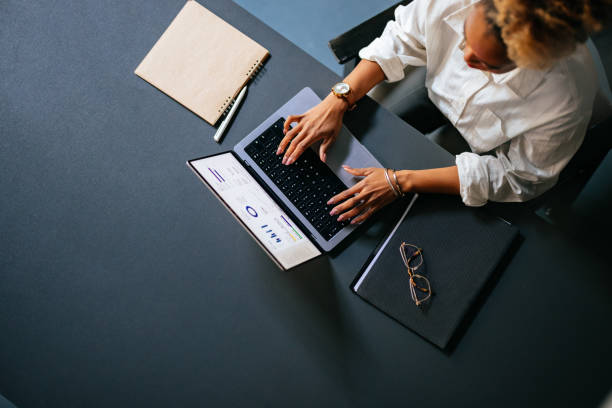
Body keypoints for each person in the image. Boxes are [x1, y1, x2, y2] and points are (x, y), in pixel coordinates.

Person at [275, 0, 611, 224]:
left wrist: (402, 181)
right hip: (433, 84)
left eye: (484, 62)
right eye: (464, 37)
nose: (465, 60)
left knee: (406, 212)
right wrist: (339, 99)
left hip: (494, 142)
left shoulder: (564, 102)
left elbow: (518, 176)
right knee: (363, 139)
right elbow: (402, 38)